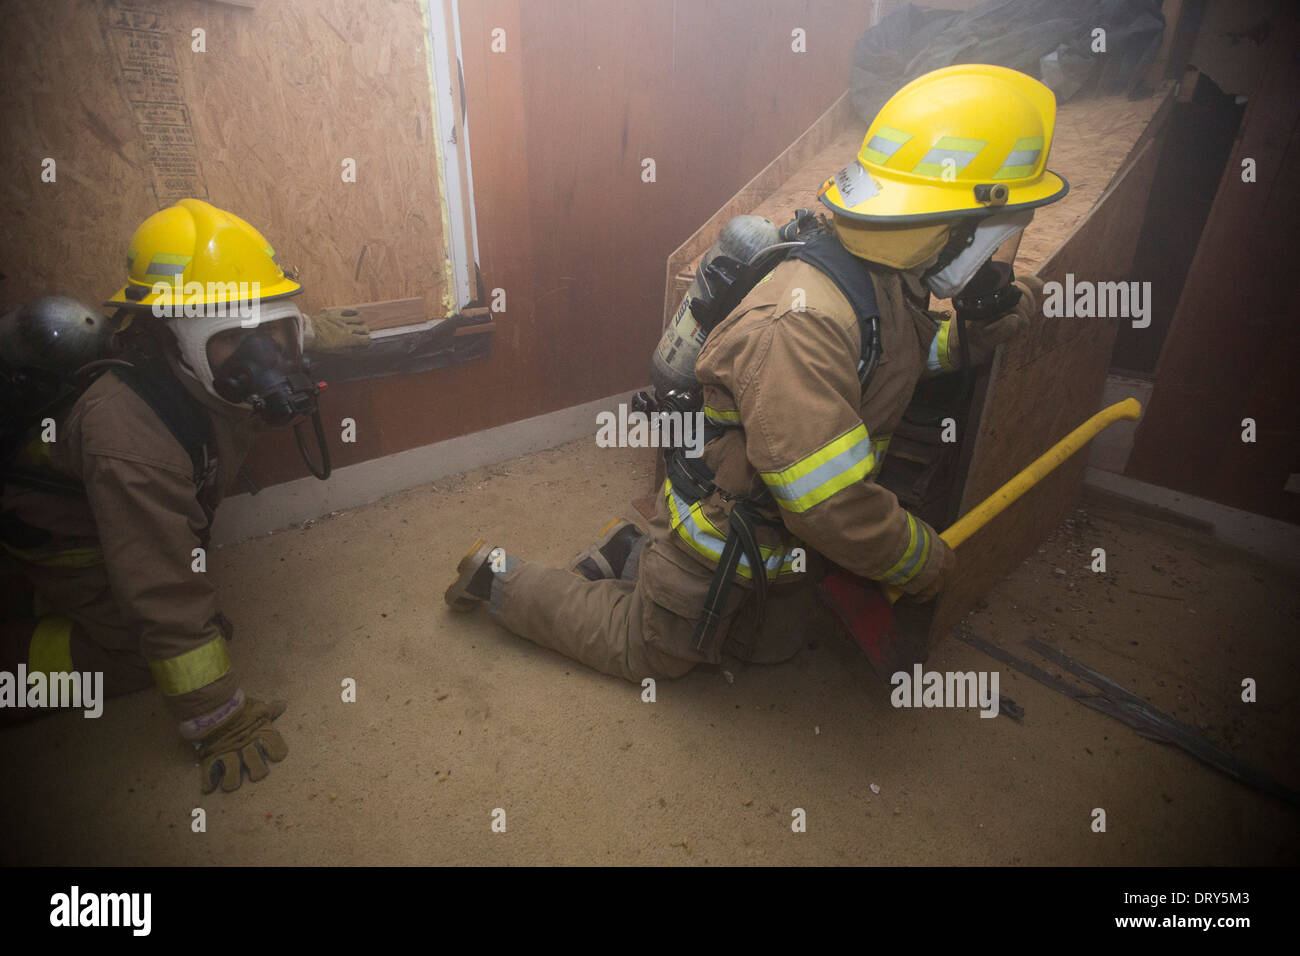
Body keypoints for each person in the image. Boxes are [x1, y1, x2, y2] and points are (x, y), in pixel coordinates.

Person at [446, 65, 1067, 683]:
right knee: (649, 653)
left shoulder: (882, 279)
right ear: (949, 225)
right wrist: (920, 560)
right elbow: (827, 504)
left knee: (772, 647)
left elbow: (891, 364)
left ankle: (626, 552)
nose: (997, 253)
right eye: (999, 233)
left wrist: (968, 336)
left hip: (773, 532)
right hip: (724, 522)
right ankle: (500, 576)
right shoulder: (802, 322)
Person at [0, 198, 338, 793]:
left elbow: (267, 348)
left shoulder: (190, 365)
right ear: (170, 336)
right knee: (139, 654)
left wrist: (320, 335)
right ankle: (18, 659)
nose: (266, 358)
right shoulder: (129, 434)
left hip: (113, 506)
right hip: (65, 536)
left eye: (278, 330)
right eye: (233, 335)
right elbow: (161, 586)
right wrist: (216, 717)